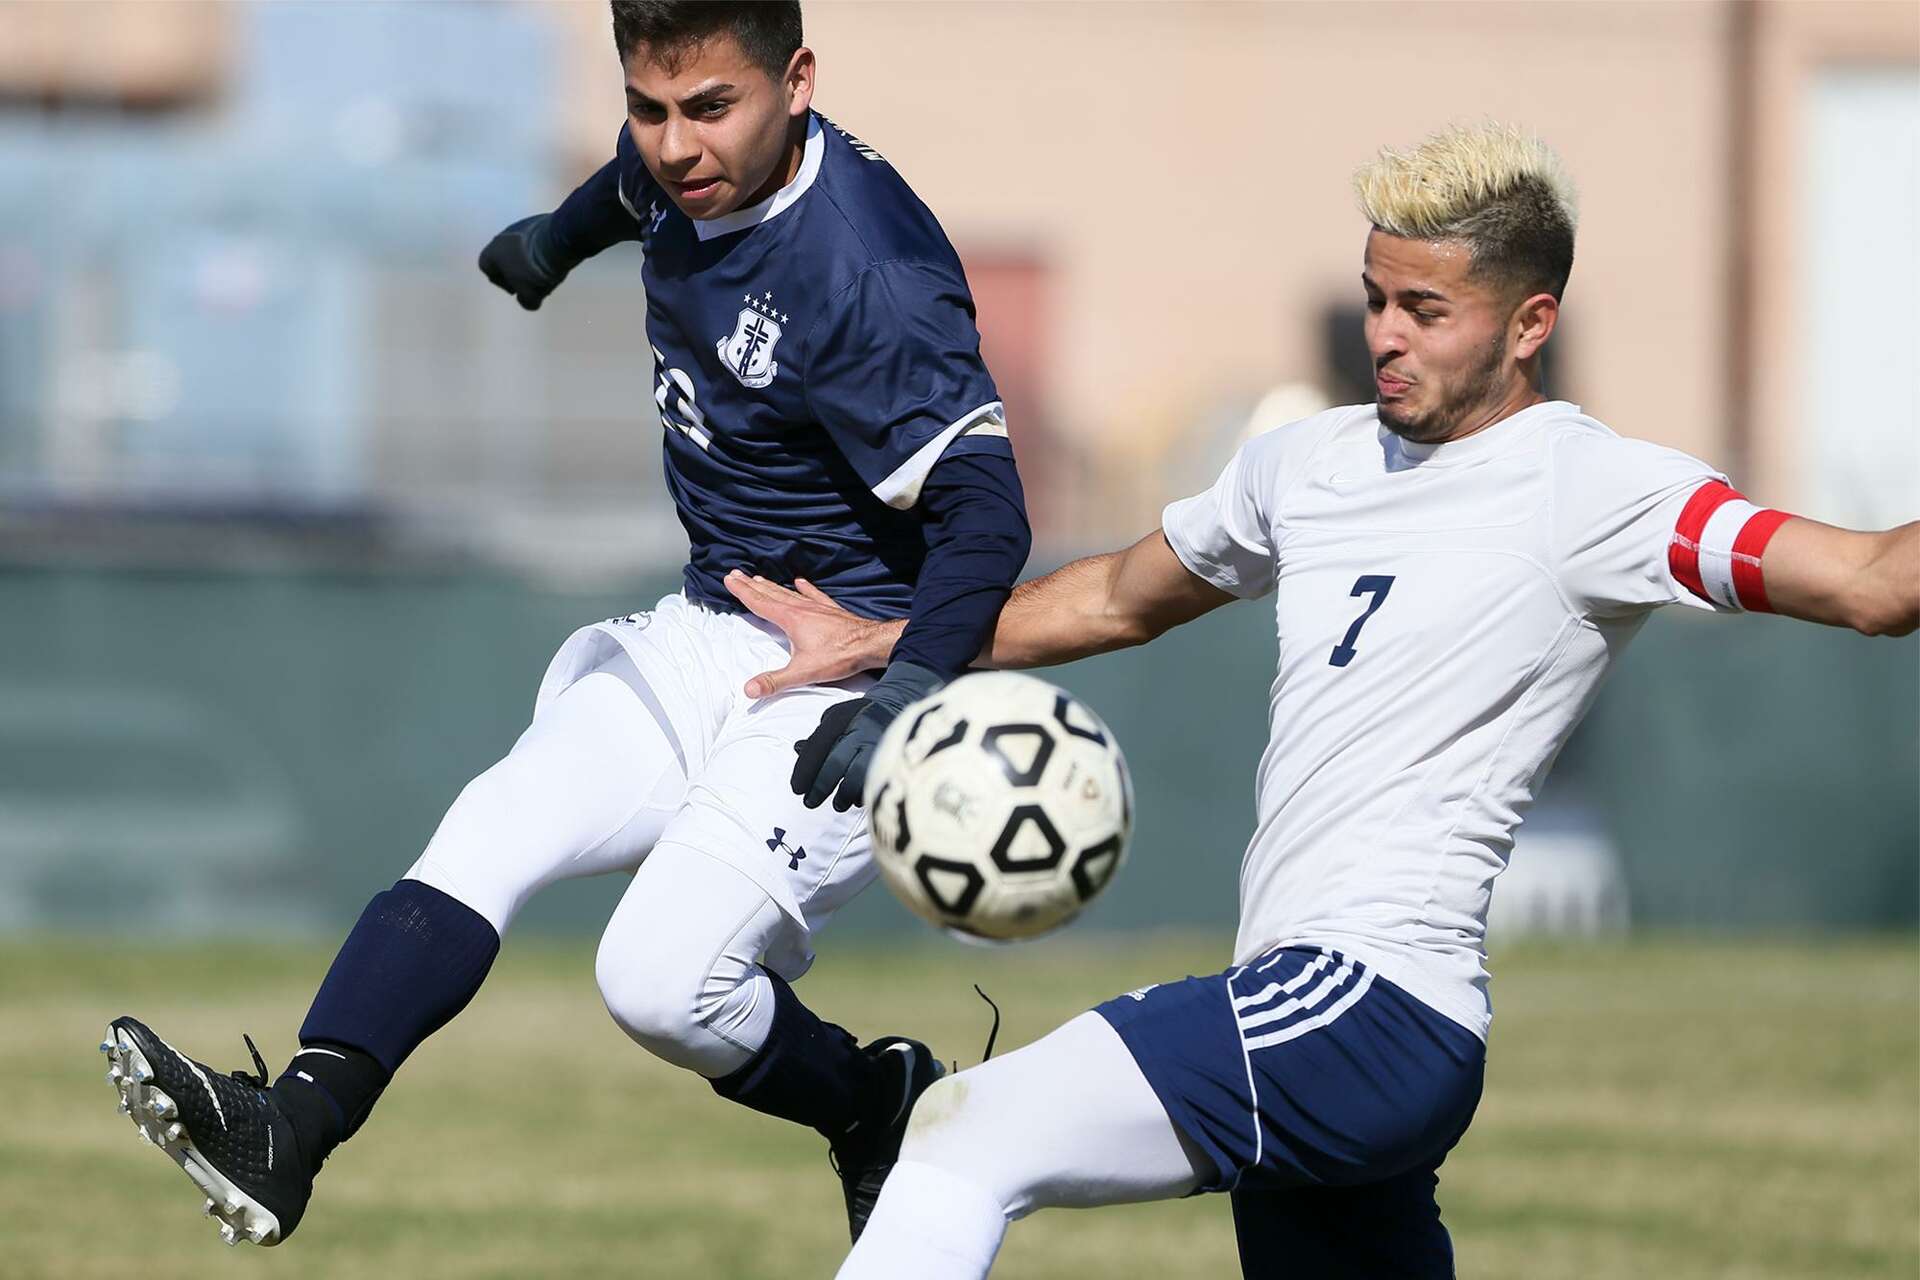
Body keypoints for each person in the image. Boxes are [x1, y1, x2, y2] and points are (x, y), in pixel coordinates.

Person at [728, 122, 1919, 1278]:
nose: (1384, 335)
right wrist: (895, 639)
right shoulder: (1310, 459)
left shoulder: (1594, 486)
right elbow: (1115, 598)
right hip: (1321, 1006)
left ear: (1529, 323)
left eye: (1426, 310)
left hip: (1372, 1003)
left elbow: (1871, 582)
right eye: (1374, 298)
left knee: (961, 1131)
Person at [100, 0, 1029, 1249]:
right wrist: (555, 238)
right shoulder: (676, 170)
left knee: (655, 981)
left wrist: (905, 686)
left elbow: (988, 514)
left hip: (840, 667)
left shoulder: (867, 271)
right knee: (498, 819)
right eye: (648, 107)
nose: (675, 143)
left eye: (710, 108)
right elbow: (629, 186)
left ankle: (874, 1098)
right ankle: (289, 1132)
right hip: (711, 623)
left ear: (797, 81)